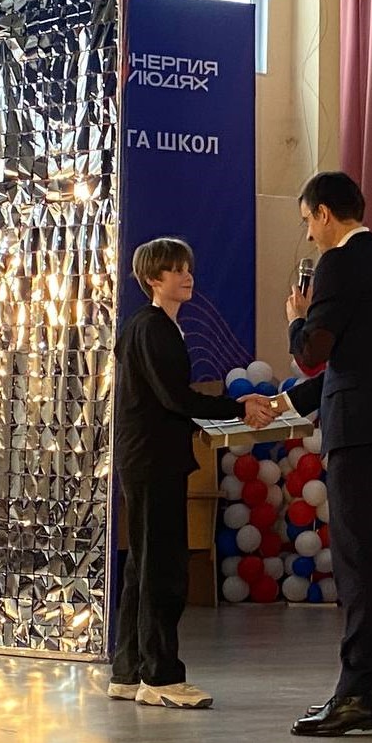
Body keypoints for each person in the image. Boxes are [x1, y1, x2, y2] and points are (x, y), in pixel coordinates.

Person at [270, 171, 372, 735]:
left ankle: (358, 692)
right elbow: (354, 363)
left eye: (308, 221)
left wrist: (296, 319)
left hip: (357, 434)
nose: (309, 235)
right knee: (365, 560)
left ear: (325, 214)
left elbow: (313, 354)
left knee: (357, 565)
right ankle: (368, 693)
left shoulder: (338, 264)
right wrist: (285, 403)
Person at [108, 237, 273, 709]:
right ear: (152, 279)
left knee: (143, 565)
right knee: (162, 569)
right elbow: (176, 398)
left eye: (187, 268)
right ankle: (160, 676)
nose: (187, 276)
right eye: (175, 270)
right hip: (153, 460)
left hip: (147, 458)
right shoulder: (154, 328)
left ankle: (129, 670)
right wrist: (238, 407)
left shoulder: (152, 327)